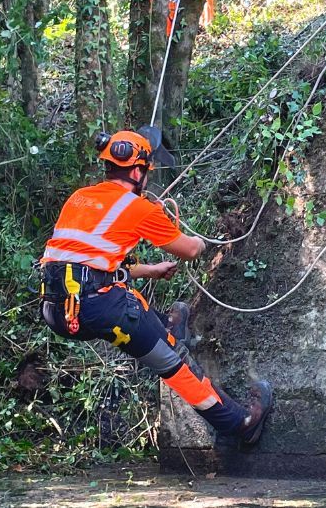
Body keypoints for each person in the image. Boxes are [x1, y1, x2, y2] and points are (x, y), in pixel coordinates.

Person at [37, 127, 272, 446]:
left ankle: (168, 327)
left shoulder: (79, 199)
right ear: (137, 171)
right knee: (173, 363)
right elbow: (188, 250)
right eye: (147, 170)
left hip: (57, 309)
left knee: (128, 304)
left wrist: (152, 270)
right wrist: (202, 243)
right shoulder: (138, 208)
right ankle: (241, 424)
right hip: (99, 307)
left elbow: (90, 265)